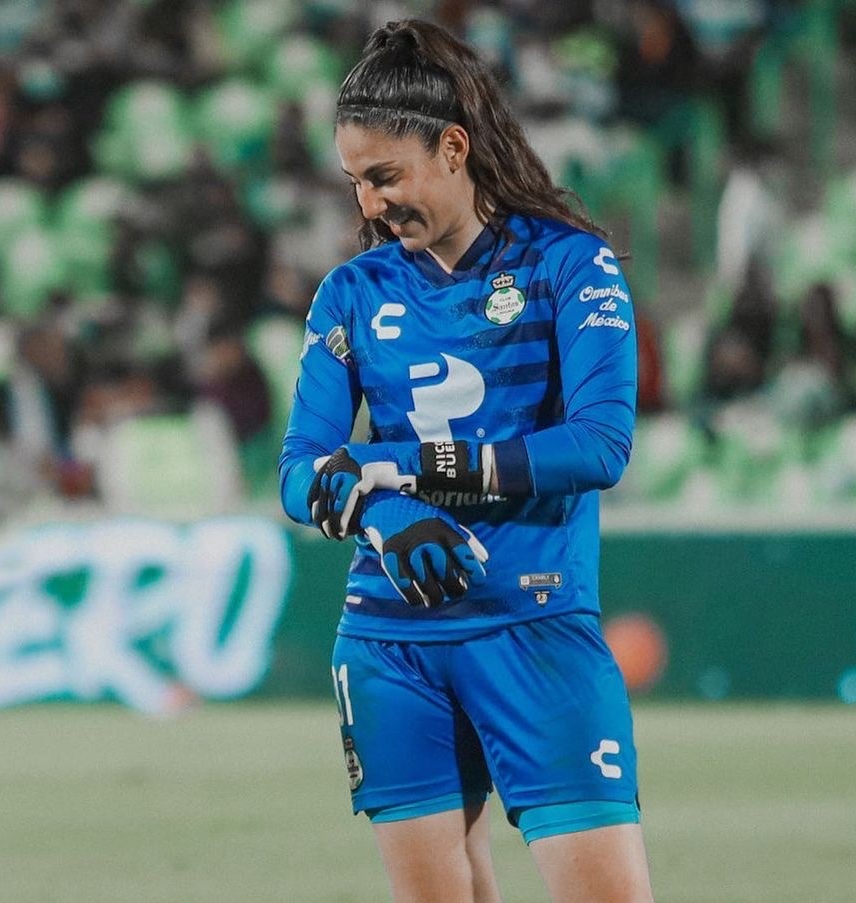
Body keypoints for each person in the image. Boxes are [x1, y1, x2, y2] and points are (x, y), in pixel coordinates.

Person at [278, 19, 653, 903]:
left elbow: (599, 444)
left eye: (385, 176)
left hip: (535, 625)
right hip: (390, 642)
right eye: (355, 183)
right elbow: (302, 467)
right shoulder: (353, 293)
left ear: (452, 148)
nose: (370, 205)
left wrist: (407, 471)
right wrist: (381, 511)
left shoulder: (571, 266)